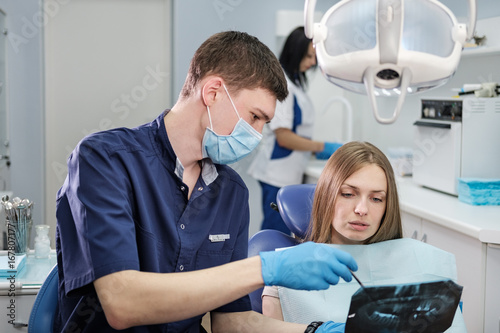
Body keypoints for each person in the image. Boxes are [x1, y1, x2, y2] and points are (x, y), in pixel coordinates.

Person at [54, 30, 358, 333]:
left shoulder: (232, 192)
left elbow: (231, 321)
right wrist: (264, 268)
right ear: (213, 92)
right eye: (254, 117)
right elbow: (123, 303)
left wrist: (315, 331)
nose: (257, 134)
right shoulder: (105, 160)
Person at [262, 141, 403, 320]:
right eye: (348, 194)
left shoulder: (406, 268)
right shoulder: (283, 280)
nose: (362, 209)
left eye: (376, 198)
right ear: (326, 195)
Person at [248, 26, 342, 234]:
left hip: (285, 172)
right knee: (275, 235)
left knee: (282, 234)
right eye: (308, 56)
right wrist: (322, 147)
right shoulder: (284, 86)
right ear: (295, 51)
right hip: (276, 174)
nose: (312, 62)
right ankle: (264, 267)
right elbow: (284, 137)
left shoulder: (293, 84)